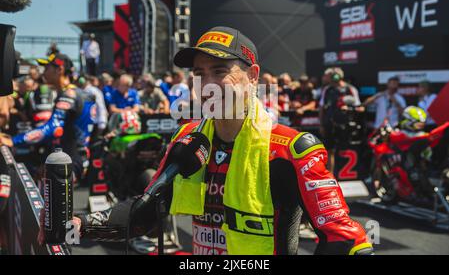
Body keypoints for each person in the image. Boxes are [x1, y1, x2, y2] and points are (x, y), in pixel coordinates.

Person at [62, 26, 373, 255]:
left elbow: (347, 241)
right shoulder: (188, 139)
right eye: (199, 73)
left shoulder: (291, 150)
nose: (207, 84)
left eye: (220, 71)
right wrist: (78, 224)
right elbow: (146, 213)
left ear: (252, 76)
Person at [0, 53, 97, 181]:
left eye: (47, 68)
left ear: (59, 70)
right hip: (73, 157)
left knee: (53, 199)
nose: (43, 72)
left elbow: (53, 127)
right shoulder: (77, 93)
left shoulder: (69, 95)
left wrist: (14, 140)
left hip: (69, 161)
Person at [319, 67, 363, 172]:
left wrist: (349, 108)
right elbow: (321, 107)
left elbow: (360, 107)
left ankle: (344, 174)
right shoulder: (327, 90)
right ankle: (331, 175)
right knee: (330, 150)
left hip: (345, 125)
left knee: (344, 149)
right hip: (330, 124)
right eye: (332, 75)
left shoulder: (350, 89)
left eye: (336, 74)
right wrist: (321, 124)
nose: (334, 77)